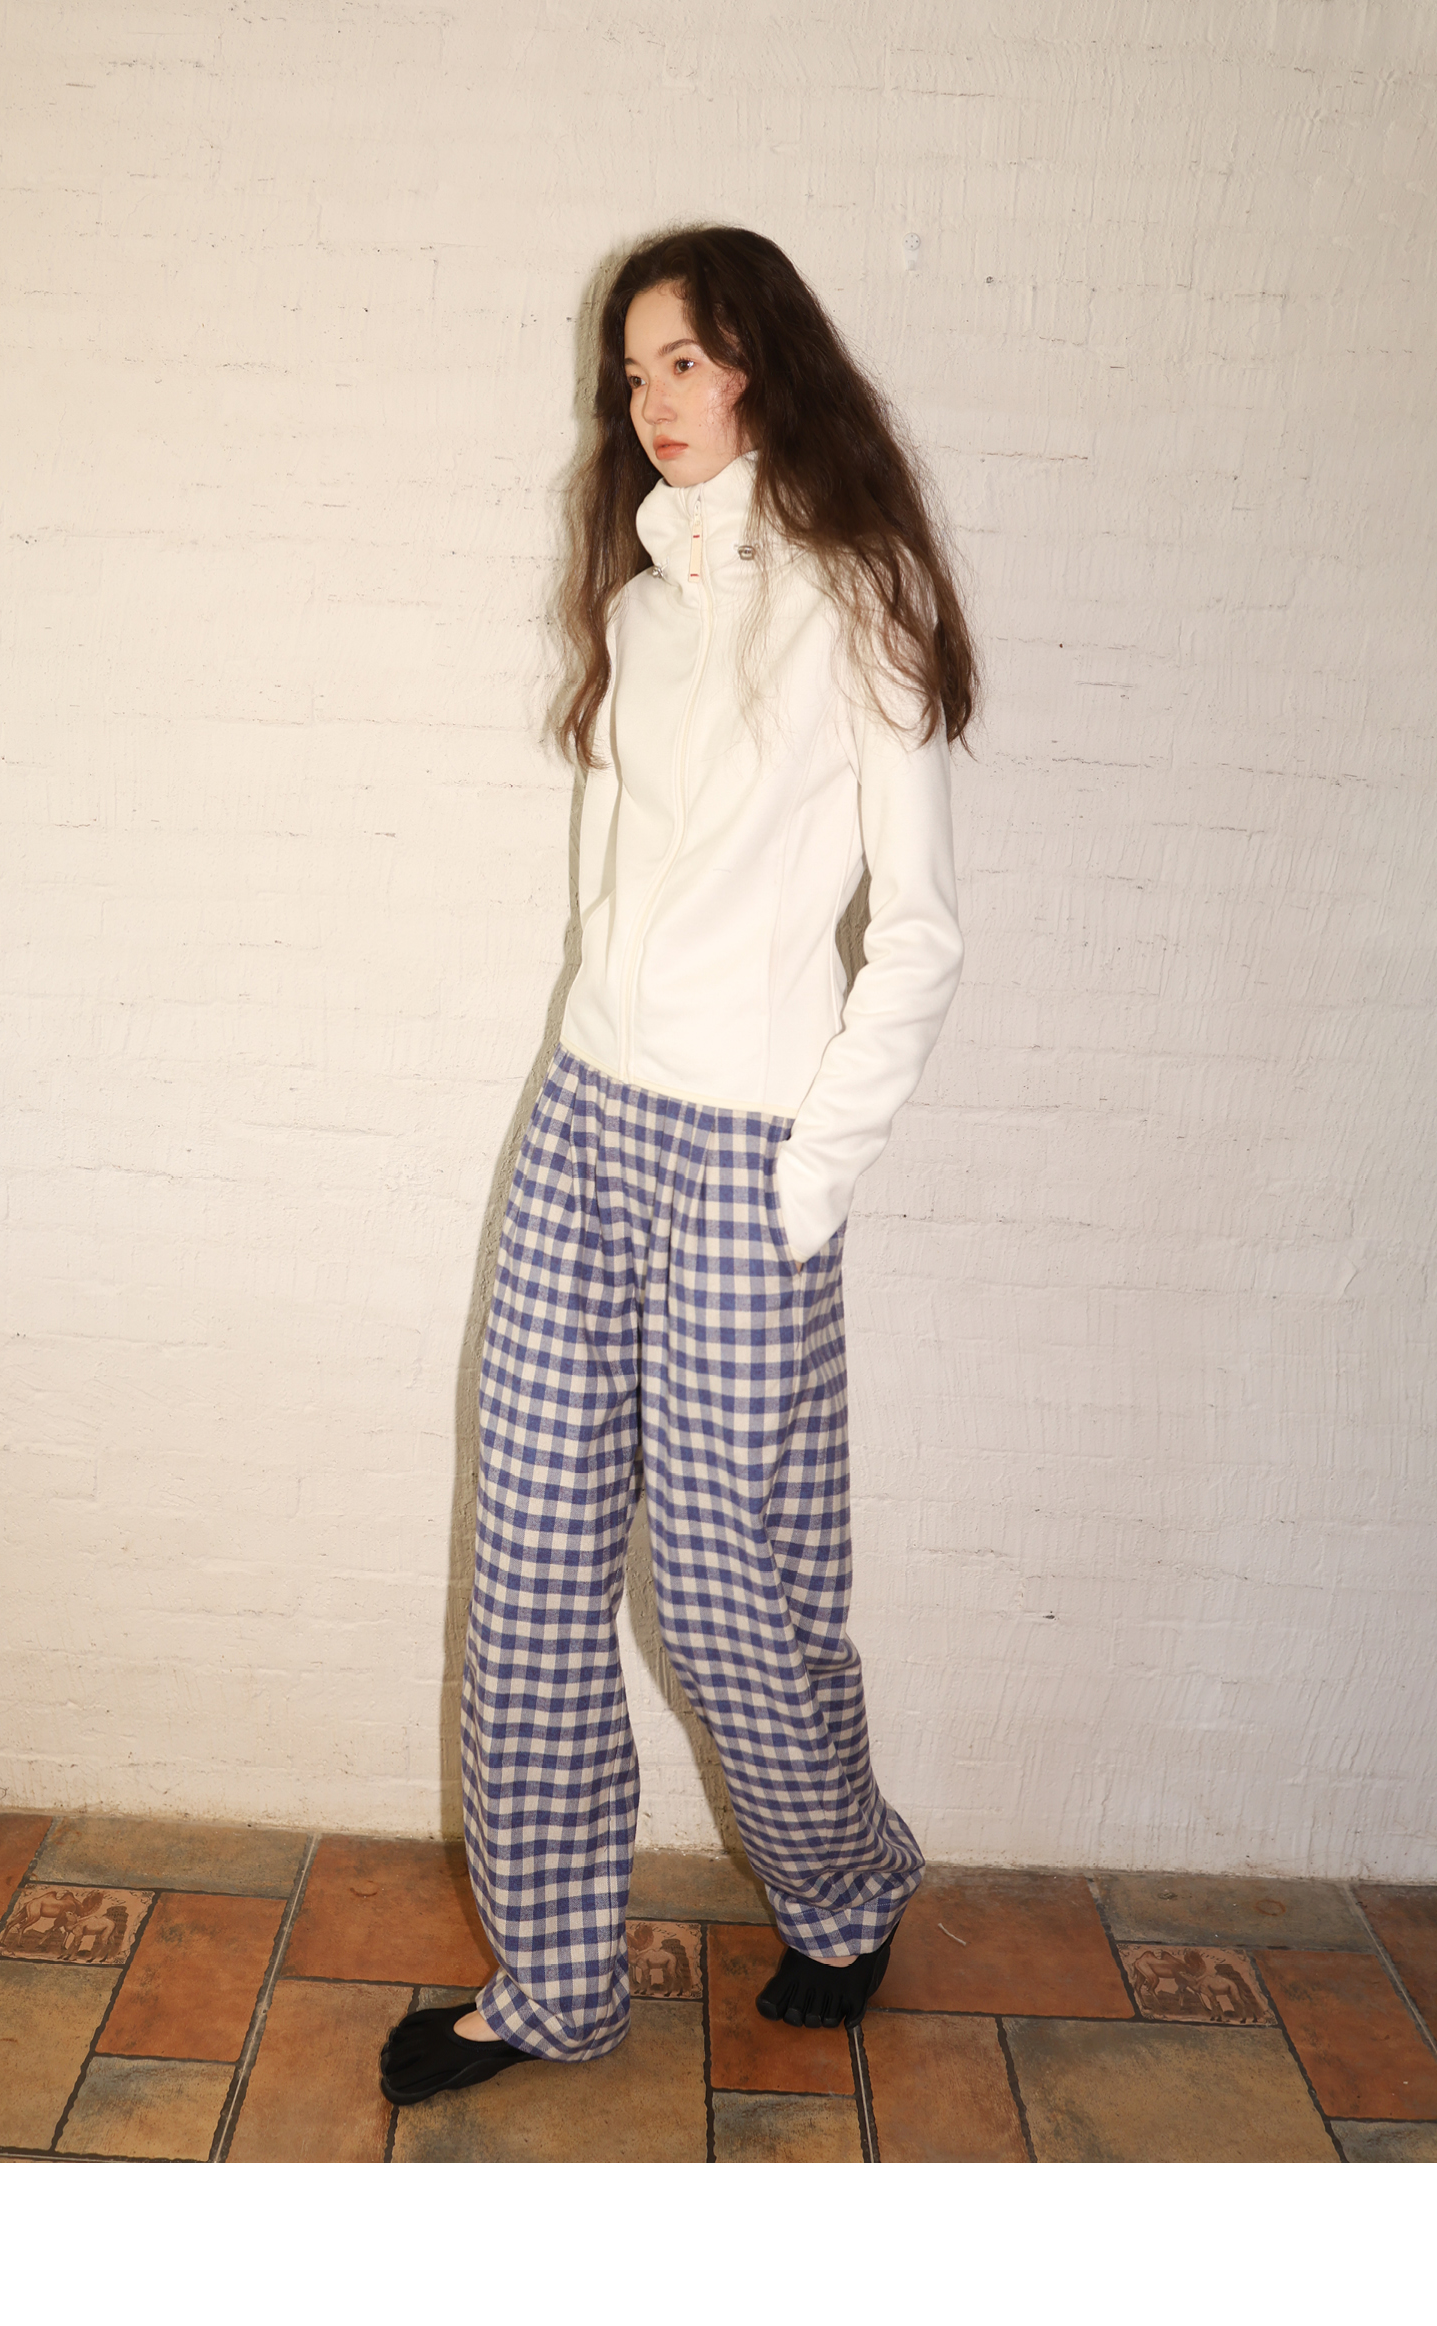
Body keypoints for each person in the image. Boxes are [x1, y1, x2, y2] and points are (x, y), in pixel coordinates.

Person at [380, 224, 977, 2104]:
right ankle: (555, 1979)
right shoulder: (639, 606)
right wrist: (586, 1064)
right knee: (532, 1561)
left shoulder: (859, 596)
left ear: (764, 364)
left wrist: (810, 1174)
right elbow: (613, 891)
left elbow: (919, 935)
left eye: (688, 361)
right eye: (633, 371)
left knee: (729, 1593)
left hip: (745, 1151)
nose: (654, 401)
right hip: (585, 1118)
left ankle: (846, 1885)